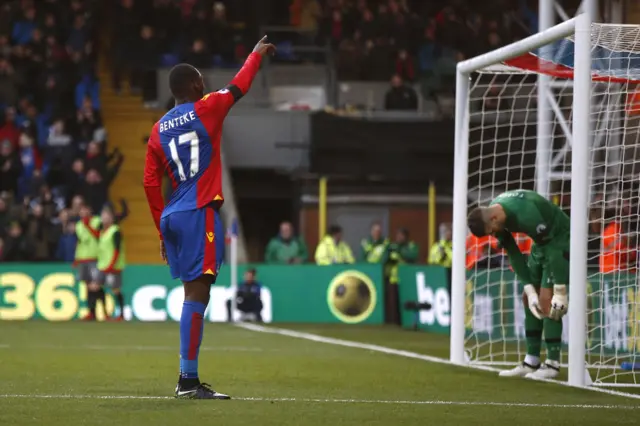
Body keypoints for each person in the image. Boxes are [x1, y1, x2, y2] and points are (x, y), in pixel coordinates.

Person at [143, 36, 275, 400]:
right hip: (198, 211)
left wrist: (160, 228)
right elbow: (240, 85)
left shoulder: (157, 130)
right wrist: (255, 55)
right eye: (202, 80)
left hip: (173, 214)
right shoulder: (208, 107)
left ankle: (188, 379)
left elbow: (150, 183)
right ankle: (187, 381)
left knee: (193, 292)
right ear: (197, 85)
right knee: (198, 294)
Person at [467, 189, 569, 380]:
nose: (493, 234)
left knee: (546, 300)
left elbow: (553, 252)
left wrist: (559, 289)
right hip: (541, 244)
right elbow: (512, 252)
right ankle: (531, 361)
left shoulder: (528, 214)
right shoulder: (495, 217)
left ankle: (552, 364)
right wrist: (529, 289)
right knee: (527, 299)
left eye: (491, 230)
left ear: (494, 218)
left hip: (561, 240)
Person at [96, 205, 126, 321]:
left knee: (115, 289)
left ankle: (122, 314)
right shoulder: (102, 231)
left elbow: (117, 250)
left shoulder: (115, 231)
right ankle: (105, 313)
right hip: (102, 265)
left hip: (113, 266)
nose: (104, 218)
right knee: (99, 288)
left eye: (107, 215)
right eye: (103, 215)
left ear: (112, 218)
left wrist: (111, 264)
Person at [75, 202, 103, 321]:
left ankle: (102, 310)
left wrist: (88, 226)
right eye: (81, 210)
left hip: (94, 257)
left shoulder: (96, 221)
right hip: (83, 258)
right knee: (87, 286)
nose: (83, 212)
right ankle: (91, 312)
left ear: (89, 210)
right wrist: (76, 258)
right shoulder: (78, 225)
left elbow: (98, 235)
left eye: (85, 210)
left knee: (95, 286)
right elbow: (80, 242)